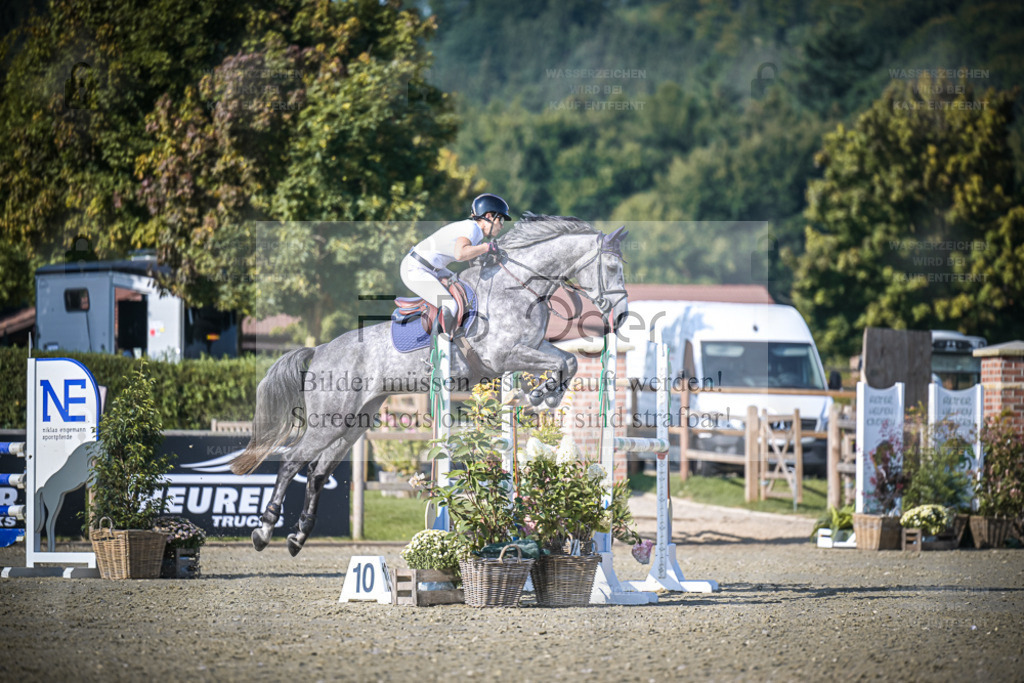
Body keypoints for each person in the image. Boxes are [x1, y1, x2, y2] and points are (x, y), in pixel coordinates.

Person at [400, 193, 511, 338]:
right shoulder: (472, 228)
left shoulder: (475, 233)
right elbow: (460, 254)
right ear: (488, 216)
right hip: (415, 269)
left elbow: (473, 262)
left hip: (433, 269)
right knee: (450, 306)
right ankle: (438, 355)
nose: (502, 225)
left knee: (463, 287)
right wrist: (486, 248)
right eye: (500, 219)